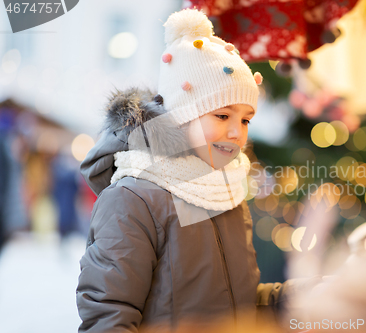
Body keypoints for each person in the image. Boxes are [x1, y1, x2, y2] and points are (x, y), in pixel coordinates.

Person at [76, 9, 296, 333]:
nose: (238, 133)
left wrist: (307, 294)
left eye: (246, 119)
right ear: (181, 114)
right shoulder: (134, 200)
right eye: (222, 116)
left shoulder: (228, 192)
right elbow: (109, 316)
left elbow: (239, 304)